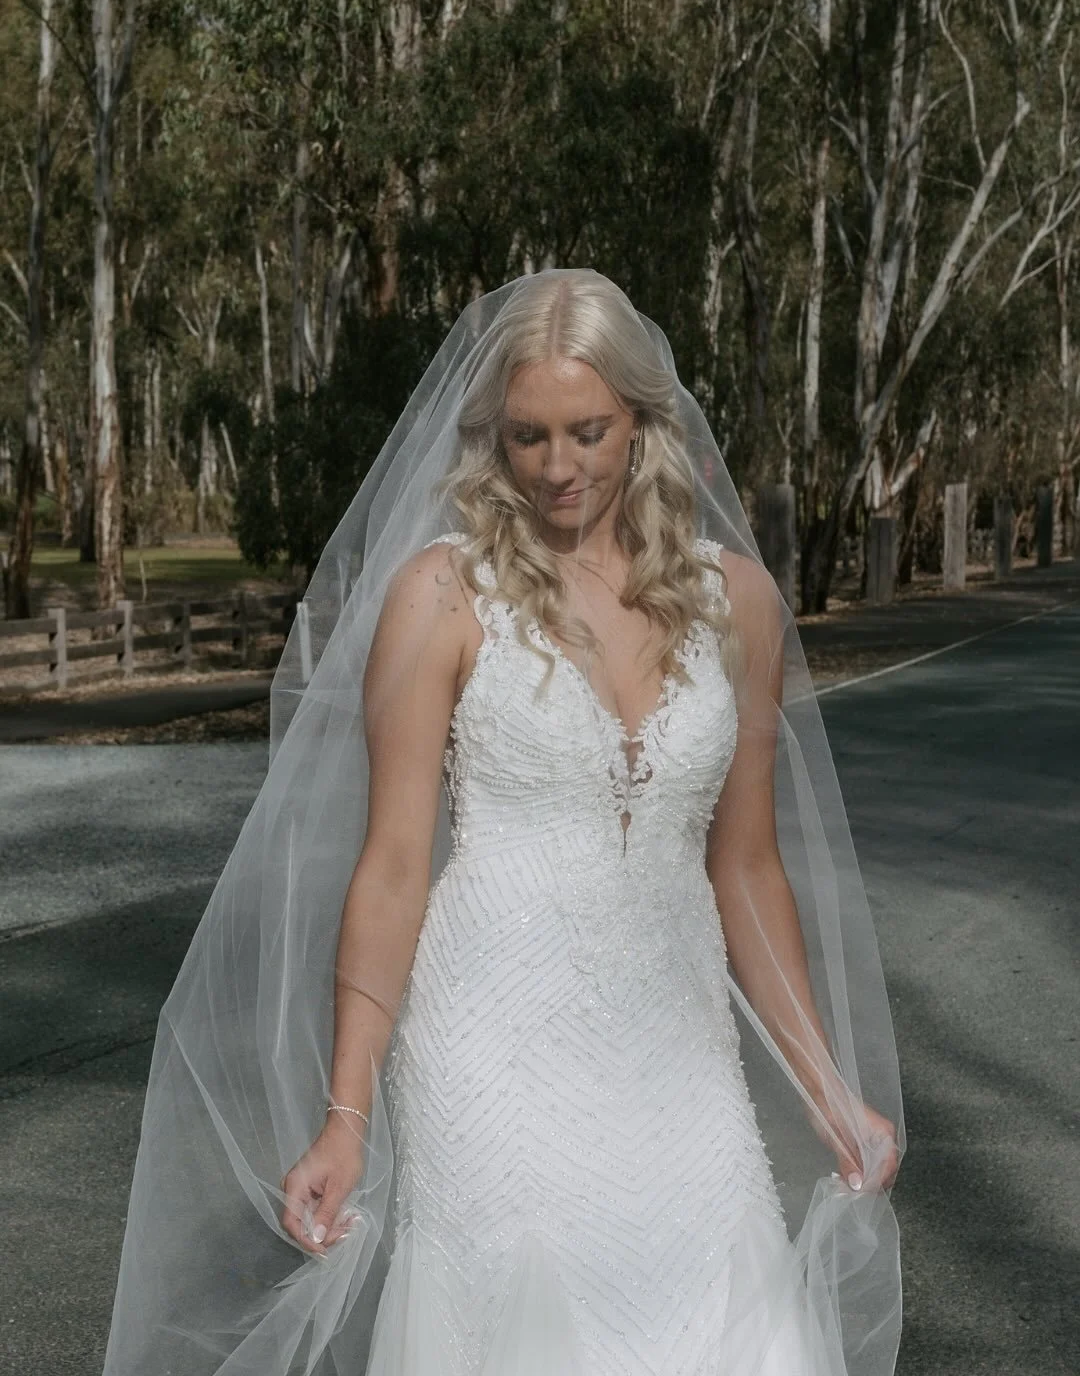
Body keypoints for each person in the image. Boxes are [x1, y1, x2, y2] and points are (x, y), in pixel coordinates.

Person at [102, 270, 903, 1376]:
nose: (560, 467)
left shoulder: (741, 606)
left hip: (678, 1054)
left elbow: (750, 869)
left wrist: (829, 1087)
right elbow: (389, 869)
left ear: (643, 422)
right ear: (495, 438)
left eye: (590, 431)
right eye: (529, 436)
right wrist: (345, 1113)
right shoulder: (443, 596)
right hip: (487, 1046)